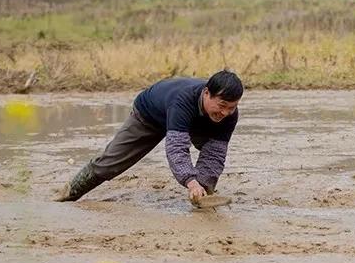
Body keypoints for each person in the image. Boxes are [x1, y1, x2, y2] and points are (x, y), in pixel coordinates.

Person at [56, 70, 242, 203]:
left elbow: (214, 155)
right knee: (110, 163)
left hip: (200, 120)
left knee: (207, 173)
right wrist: (190, 181)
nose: (225, 112)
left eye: (231, 107)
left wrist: (202, 187)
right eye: (222, 105)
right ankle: (68, 193)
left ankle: (201, 200)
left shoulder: (227, 115)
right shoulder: (183, 101)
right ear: (206, 93)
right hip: (150, 115)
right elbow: (176, 149)